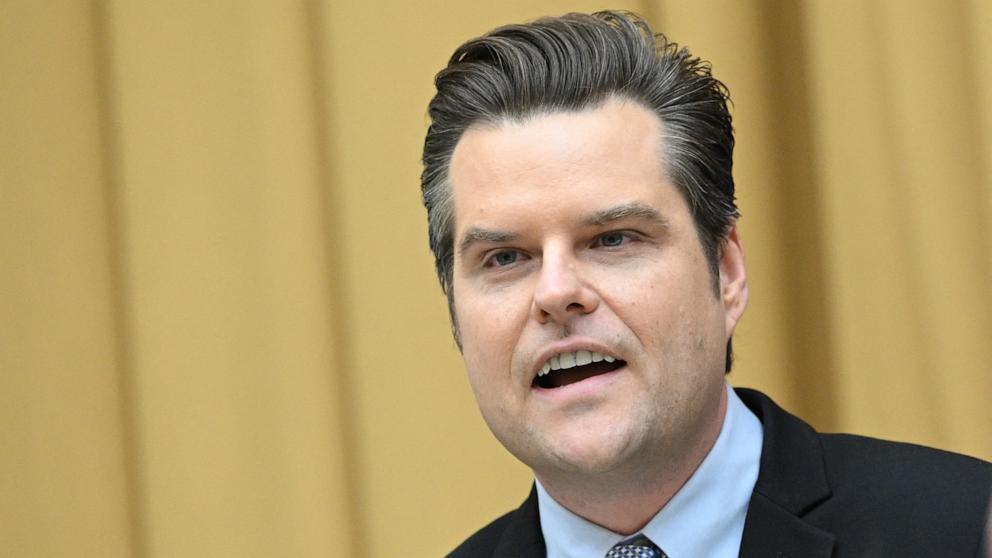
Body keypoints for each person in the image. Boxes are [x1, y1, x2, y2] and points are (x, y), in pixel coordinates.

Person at [420, 10, 992, 558]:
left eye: (613, 239)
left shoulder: (965, 528)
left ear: (727, 272)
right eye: (505, 258)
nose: (555, 292)